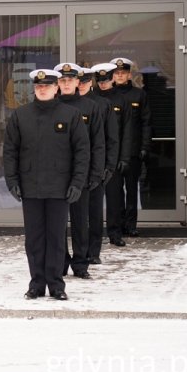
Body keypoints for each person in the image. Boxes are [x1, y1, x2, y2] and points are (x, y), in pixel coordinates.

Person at [3, 69, 89, 301]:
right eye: (39, 86)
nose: (42, 89)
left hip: (60, 188)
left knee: (56, 237)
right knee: (34, 239)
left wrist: (77, 183)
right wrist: (12, 181)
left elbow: (82, 152)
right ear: (34, 89)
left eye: (47, 86)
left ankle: (56, 285)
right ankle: (36, 284)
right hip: (30, 187)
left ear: (56, 88)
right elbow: (10, 152)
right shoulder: (21, 116)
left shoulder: (70, 114)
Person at [54, 63, 105, 280]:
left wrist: (95, 173)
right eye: (62, 80)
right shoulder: (51, 106)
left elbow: (98, 144)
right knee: (57, 223)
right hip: (55, 175)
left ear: (78, 82)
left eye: (70, 80)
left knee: (80, 221)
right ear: (57, 83)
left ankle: (81, 263)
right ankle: (61, 262)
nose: (66, 84)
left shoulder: (90, 107)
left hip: (80, 174)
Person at [77, 63, 118, 264]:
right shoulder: (65, 103)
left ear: (90, 81)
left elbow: (111, 138)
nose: (82, 85)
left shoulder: (101, 104)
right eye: (80, 81)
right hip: (74, 168)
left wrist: (109, 166)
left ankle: (93, 252)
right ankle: (78, 251)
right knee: (76, 214)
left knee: (94, 212)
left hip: (96, 166)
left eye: (85, 81)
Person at [92, 62, 133, 247]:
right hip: (94, 157)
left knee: (114, 197)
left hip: (113, 156)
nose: (103, 84)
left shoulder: (121, 100)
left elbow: (127, 132)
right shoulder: (90, 99)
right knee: (92, 199)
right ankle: (93, 233)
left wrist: (123, 157)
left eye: (106, 80)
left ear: (111, 79)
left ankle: (115, 233)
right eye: (100, 81)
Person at [110, 57, 151, 237]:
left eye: (123, 73)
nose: (120, 76)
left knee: (132, 189)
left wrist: (144, 147)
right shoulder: (108, 96)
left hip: (133, 151)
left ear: (129, 74)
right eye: (117, 73)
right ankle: (117, 225)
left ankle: (131, 225)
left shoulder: (139, 95)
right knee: (115, 192)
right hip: (113, 152)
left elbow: (146, 123)